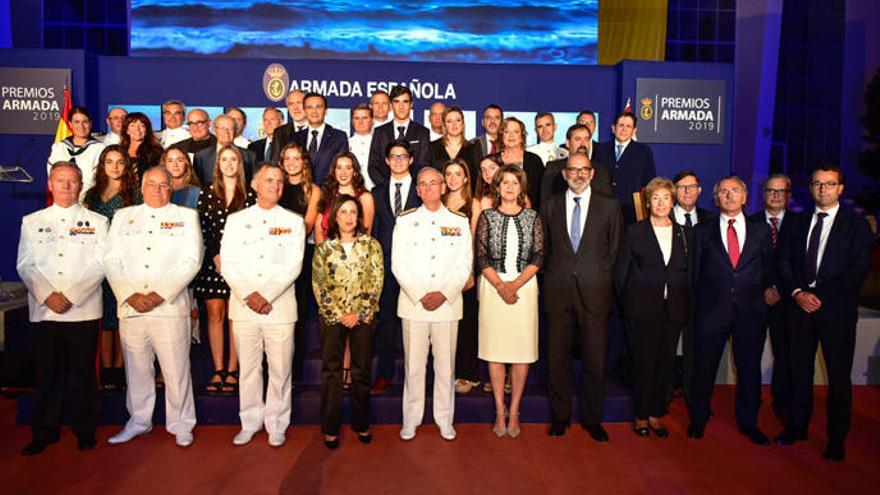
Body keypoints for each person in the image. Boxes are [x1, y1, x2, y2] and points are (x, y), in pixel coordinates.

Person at [776, 165, 873, 461]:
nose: (822, 189)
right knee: (798, 372)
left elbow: (857, 270)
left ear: (840, 189)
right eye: (817, 183)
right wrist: (797, 293)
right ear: (811, 187)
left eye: (829, 184)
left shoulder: (856, 226)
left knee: (838, 378)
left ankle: (836, 439)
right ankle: (797, 427)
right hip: (799, 309)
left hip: (836, 312)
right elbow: (783, 263)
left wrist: (818, 297)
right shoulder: (796, 222)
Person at [104, 166, 202, 448]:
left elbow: (191, 260)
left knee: (176, 370)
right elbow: (111, 260)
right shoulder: (124, 217)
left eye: (164, 185)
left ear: (171, 188)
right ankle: (138, 421)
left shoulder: (186, 216)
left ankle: (182, 423)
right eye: (152, 184)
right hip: (132, 307)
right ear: (142, 186)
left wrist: (160, 294)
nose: (158, 190)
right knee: (136, 370)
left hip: (169, 307)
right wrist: (129, 294)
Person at [16, 162, 109, 455]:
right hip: (46, 312)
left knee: (82, 373)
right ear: (50, 184)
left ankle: (84, 429)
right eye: (60, 181)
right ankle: (45, 431)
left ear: (81, 185)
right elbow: (25, 265)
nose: (66, 186)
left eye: (72, 181)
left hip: (81, 309)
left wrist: (70, 295)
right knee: (48, 374)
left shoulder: (97, 222)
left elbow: (101, 264)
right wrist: (48, 295)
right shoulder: (32, 221)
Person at [220, 164, 305, 447]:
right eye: (269, 180)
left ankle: (277, 423)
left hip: (278, 308)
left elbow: (294, 265)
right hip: (244, 307)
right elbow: (227, 263)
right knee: (249, 368)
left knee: (280, 370)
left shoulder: (293, 221)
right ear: (255, 185)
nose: (276, 186)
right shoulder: (236, 220)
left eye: (280, 182)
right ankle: (250, 421)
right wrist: (249, 294)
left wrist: (266, 295)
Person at [687, 176, 775, 446]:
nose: (729, 195)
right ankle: (698, 419)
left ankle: (749, 423)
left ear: (745, 197)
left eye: (734, 191)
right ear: (715, 198)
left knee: (749, 371)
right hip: (711, 313)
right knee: (704, 369)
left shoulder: (761, 232)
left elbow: (768, 269)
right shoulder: (703, 232)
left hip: (751, 313)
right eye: (723, 191)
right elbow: (694, 274)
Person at [542, 153, 623, 442]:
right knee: (558, 361)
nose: (578, 174)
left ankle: (592, 419)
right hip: (558, 292)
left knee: (594, 362)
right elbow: (546, 250)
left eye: (583, 169)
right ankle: (560, 418)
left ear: (591, 173)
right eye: (572, 170)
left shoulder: (610, 206)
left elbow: (614, 251)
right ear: (564, 174)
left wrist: (593, 276)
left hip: (595, 293)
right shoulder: (549, 206)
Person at [392, 167, 472, 441]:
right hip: (414, 304)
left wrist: (444, 293)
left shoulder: (459, 221)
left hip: (447, 305)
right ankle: (411, 420)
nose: (428, 188)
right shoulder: (405, 221)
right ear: (417, 190)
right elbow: (398, 264)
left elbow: (465, 264)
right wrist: (420, 293)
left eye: (433, 183)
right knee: (413, 367)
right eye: (422, 184)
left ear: (442, 187)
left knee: (445, 367)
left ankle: (444, 419)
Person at [615, 177, 692, 438]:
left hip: (674, 311)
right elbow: (621, 274)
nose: (661, 203)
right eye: (655, 198)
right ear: (648, 203)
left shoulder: (685, 234)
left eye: (666, 198)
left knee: (665, 364)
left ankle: (656, 413)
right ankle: (640, 415)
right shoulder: (635, 232)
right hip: (642, 310)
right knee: (644, 364)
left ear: (673, 202)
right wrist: (629, 306)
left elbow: (689, 273)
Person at [476, 165, 544, 437]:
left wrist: (514, 284)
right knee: (496, 350)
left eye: (515, 182)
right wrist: (501, 285)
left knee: (521, 350)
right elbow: (481, 257)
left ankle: (514, 410)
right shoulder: (487, 216)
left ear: (521, 187)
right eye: (504, 182)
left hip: (524, 288)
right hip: (493, 287)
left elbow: (539, 255)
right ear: (497, 186)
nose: (509, 187)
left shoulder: (533, 216)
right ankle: (499, 410)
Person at [312, 195, 384, 448]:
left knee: (361, 372)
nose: (349, 216)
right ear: (335, 217)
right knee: (331, 372)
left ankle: (361, 423)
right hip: (332, 318)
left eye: (353, 211)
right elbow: (319, 285)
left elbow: (376, 281)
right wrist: (339, 313)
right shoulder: (324, 249)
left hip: (362, 318)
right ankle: (330, 428)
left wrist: (360, 313)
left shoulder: (371, 245)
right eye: (343, 212)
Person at [194, 145, 255, 395]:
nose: (229, 164)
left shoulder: (250, 194)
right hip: (213, 261)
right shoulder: (207, 193)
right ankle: (218, 368)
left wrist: (233, 259)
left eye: (233, 160)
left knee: (235, 317)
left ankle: (233, 369)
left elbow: (252, 234)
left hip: (240, 264)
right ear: (217, 164)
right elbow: (202, 230)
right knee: (215, 314)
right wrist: (215, 256)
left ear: (240, 164)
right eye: (224, 160)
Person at [82, 146, 141, 392]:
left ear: (127, 166)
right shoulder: (92, 195)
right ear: (102, 165)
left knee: (121, 317)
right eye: (109, 162)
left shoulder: (134, 195)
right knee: (104, 318)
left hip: (124, 263)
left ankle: (121, 369)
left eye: (120, 162)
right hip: (97, 264)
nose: (115, 167)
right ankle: (107, 370)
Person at [369, 140, 422, 395]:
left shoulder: (423, 190)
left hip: (417, 267)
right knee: (386, 322)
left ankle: (418, 375)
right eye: (393, 156)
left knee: (419, 322)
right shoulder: (376, 193)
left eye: (403, 156)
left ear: (411, 159)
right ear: (387, 161)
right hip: (387, 268)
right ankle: (385, 374)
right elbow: (375, 232)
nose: (398, 160)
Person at [748, 174, 791, 426]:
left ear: (789, 195)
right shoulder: (749, 222)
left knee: (785, 356)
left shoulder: (800, 224)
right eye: (770, 191)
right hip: (754, 300)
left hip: (787, 302)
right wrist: (764, 287)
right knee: (750, 356)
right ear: (762, 194)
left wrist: (783, 290)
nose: (775, 195)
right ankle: (751, 403)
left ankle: (782, 403)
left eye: (781, 191)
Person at [277, 143, 321, 386]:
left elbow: (306, 226)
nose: (292, 163)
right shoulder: (275, 186)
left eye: (297, 158)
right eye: (287, 158)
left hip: (301, 257)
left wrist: (280, 236)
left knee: (298, 315)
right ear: (282, 161)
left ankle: (293, 374)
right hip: (273, 258)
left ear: (304, 162)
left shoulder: (313, 190)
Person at [441, 159, 482, 394]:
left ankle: (468, 374)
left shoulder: (473, 203)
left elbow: (475, 239)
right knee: (446, 324)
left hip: (464, 268)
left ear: (466, 177)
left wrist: (470, 271)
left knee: (466, 324)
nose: (454, 178)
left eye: (458, 174)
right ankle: (449, 372)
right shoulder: (441, 201)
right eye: (449, 173)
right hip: (442, 270)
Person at [594, 112, 656, 224]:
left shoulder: (643, 151)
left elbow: (650, 181)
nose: (624, 129)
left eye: (628, 126)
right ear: (613, 128)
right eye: (621, 125)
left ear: (634, 130)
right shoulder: (601, 149)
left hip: (631, 209)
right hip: (603, 206)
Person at [368, 85, 432, 187]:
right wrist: (387, 187)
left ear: (411, 104)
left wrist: (410, 188)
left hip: (414, 192)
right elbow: (373, 166)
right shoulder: (380, 132)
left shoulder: (422, 132)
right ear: (391, 105)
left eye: (405, 102)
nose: (401, 107)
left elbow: (424, 164)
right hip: (385, 192)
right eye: (397, 102)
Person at [542, 124, 612, 206]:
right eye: (578, 139)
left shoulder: (601, 170)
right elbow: (546, 202)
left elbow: (607, 203)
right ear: (567, 143)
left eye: (587, 139)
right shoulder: (554, 168)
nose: (583, 144)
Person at [287, 93, 349, 184]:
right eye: (309, 107)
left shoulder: (339, 137)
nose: (314, 111)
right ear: (304, 111)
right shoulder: (294, 138)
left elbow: (342, 167)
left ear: (326, 110)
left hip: (329, 193)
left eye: (318, 107)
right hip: (299, 192)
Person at [315, 152, 374, 244]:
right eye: (339, 168)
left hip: (355, 254)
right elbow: (318, 228)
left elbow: (366, 233)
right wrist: (324, 253)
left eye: (348, 168)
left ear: (355, 172)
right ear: (334, 171)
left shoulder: (365, 197)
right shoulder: (327, 194)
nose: (343, 172)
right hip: (326, 252)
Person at [47, 106, 105, 199]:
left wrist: (78, 198)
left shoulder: (100, 149)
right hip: (62, 199)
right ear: (70, 124)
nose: (81, 126)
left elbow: (95, 180)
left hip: (88, 202)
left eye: (85, 122)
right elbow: (53, 176)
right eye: (77, 122)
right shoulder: (59, 147)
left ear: (90, 123)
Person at [193, 114, 257, 185]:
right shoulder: (201, 156)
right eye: (222, 128)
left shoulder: (249, 156)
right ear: (214, 130)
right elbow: (197, 185)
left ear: (235, 131)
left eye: (230, 128)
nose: (226, 132)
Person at [498, 117, 543, 208]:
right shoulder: (493, 160)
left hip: (530, 213)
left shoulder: (534, 160)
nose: (511, 135)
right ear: (501, 135)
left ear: (522, 136)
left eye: (516, 132)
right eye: (507, 132)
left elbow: (541, 192)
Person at [431, 106, 479, 190]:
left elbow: (477, 180)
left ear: (463, 124)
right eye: (449, 121)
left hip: (465, 199)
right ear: (444, 125)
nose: (454, 124)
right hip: (438, 199)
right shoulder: (432, 147)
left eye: (458, 120)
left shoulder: (473, 149)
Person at [119, 112, 163, 181]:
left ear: (147, 130)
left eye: (142, 125)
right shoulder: (119, 151)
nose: (137, 129)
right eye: (133, 125)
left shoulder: (156, 152)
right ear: (127, 130)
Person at [271, 90, 308, 159]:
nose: (295, 108)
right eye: (291, 104)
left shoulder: (317, 130)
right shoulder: (279, 133)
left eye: (299, 103)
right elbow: (275, 162)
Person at [349, 103, 376, 191]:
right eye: (357, 118)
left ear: (372, 121)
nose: (360, 122)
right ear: (352, 121)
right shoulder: (346, 143)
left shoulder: (379, 144)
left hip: (376, 192)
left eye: (365, 118)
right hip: (352, 192)